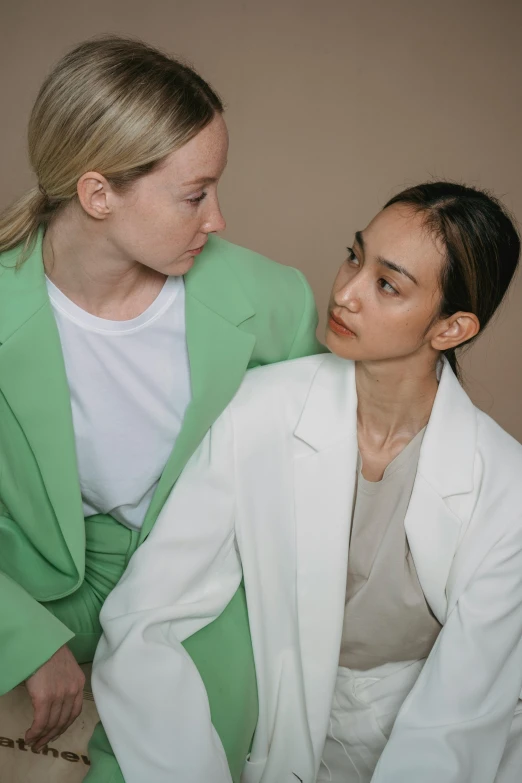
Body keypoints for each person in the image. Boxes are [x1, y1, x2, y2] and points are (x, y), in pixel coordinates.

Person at [93, 181, 522, 783]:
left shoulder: (507, 489)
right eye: (355, 256)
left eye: (387, 284)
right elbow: (146, 617)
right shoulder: (258, 411)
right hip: (281, 731)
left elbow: (462, 712)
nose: (345, 293)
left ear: (450, 329)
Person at [0, 35, 324, 781]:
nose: (216, 218)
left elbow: (330, 454)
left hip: (202, 575)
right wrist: (24, 638)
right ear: (97, 193)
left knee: (178, 758)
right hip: (46, 575)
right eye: (194, 194)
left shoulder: (271, 300)